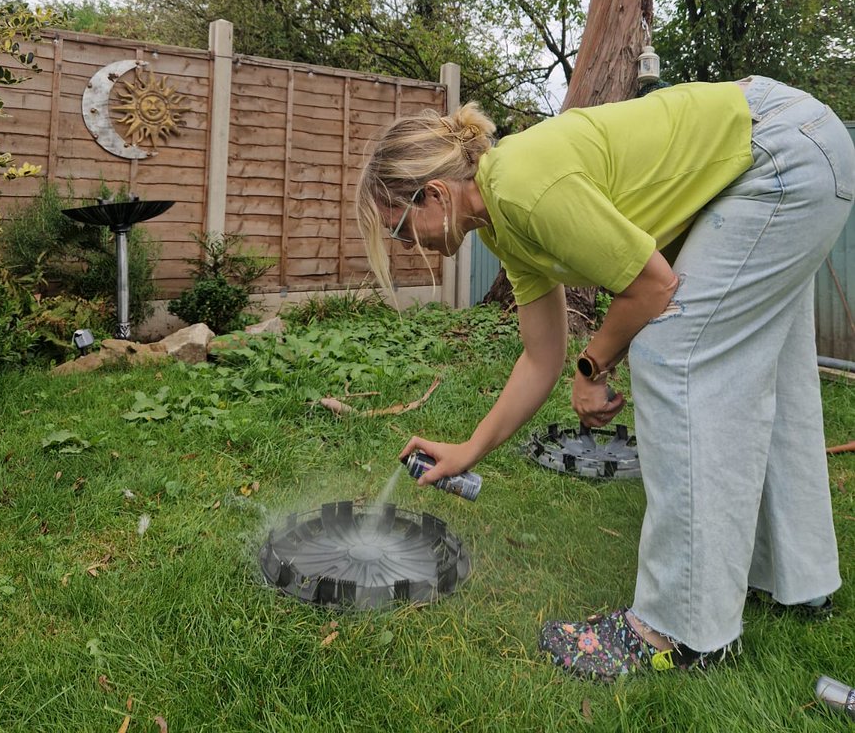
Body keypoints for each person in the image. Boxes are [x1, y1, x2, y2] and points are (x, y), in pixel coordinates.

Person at [355, 76, 854, 680]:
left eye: (401, 227)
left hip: (781, 149)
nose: (408, 244)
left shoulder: (521, 185)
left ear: (434, 193)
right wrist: (469, 450)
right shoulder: (503, 219)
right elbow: (540, 357)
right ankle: (796, 579)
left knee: (673, 353)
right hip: (794, 145)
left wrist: (594, 367)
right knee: (763, 364)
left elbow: (653, 287)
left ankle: (678, 629)